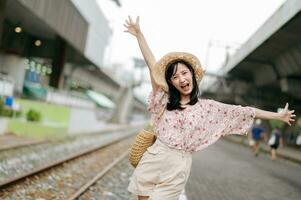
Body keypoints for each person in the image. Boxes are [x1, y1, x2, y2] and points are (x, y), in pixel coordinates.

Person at [124, 16, 296, 200]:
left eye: (184, 73)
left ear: (192, 74)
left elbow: (245, 111)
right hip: (154, 156)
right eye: (175, 77)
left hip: (177, 166)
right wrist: (139, 35)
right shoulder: (163, 99)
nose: (181, 79)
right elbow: (153, 66)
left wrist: (278, 116)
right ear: (170, 82)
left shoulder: (208, 108)